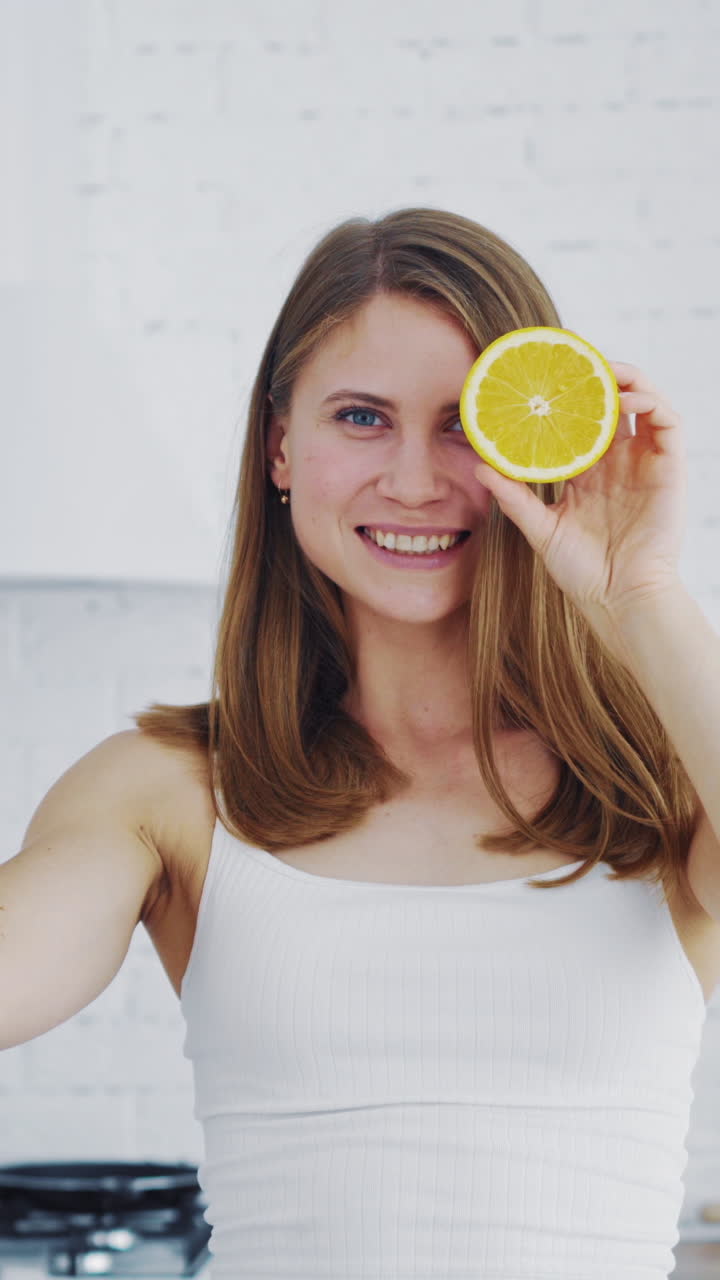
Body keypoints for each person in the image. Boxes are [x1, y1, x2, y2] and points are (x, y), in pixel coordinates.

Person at [4, 207, 719, 1279]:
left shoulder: (661, 781)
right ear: (281, 445)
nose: (420, 481)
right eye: (361, 417)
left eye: (467, 426)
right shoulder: (165, 790)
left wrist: (643, 590)